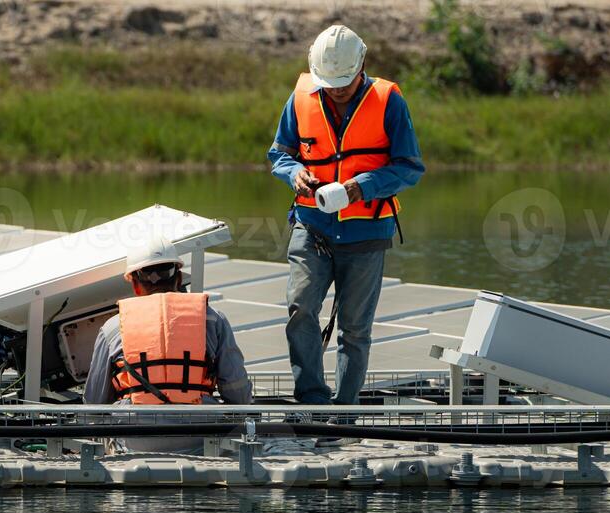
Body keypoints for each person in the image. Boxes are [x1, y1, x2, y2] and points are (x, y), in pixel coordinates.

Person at [267, 24, 425, 408]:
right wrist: (295, 174)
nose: (336, 89)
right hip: (312, 226)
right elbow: (279, 154)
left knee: (355, 329)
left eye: (345, 81)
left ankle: (345, 412)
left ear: (362, 66)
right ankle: (312, 402)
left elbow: (409, 167)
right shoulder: (301, 96)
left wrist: (360, 187)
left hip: (366, 233)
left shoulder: (389, 101)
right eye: (329, 82)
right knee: (300, 308)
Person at [84, 238, 252, 452]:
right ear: (179, 277)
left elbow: (93, 404)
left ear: (135, 284)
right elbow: (238, 395)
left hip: (133, 440)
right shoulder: (213, 319)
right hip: (202, 439)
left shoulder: (113, 327)